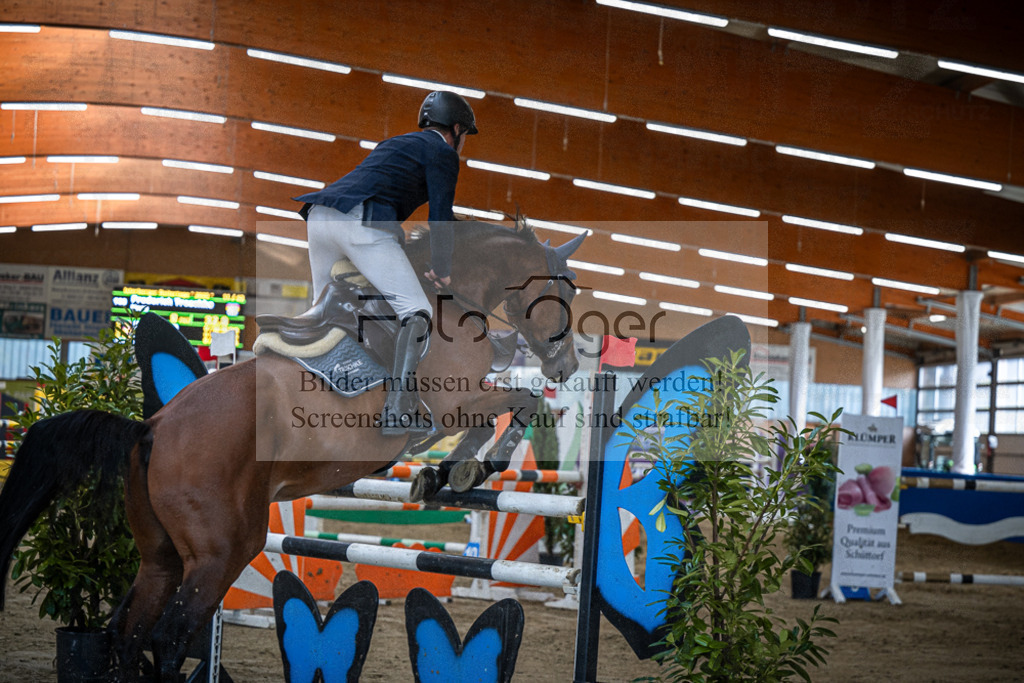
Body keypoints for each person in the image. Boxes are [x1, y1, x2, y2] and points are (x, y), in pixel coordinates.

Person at [293, 90, 478, 436]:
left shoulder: (398, 143)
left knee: (321, 311)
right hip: (358, 221)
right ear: (456, 129)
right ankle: (398, 408)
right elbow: (439, 218)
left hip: (320, 217)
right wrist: (442, 270)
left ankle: (307, 386)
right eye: (464, 134)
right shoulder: (443, 152)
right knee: (417, 311)